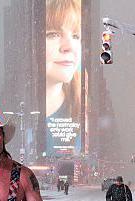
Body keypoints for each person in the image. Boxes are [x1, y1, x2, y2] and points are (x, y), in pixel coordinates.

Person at [45, 0, 82, 157]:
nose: (69, 47)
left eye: (75, 36)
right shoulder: (11, 113)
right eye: (53, 34)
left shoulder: (85, 109)